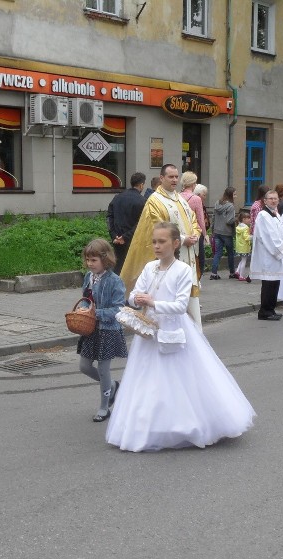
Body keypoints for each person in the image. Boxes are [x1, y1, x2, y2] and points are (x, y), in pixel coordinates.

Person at [105, 222, 255, 451]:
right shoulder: (150, 267)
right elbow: (133, 295)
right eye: (154, 241)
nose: (156, 246)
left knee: (180, 378)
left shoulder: (183, 270)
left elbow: (180, 305)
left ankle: (187, 423)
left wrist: (152, 301)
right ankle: (148, 424)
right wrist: (137, 300)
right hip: (149, 330)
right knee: (147, 379)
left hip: (174, 329)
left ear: (175, 244)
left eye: (162, 241)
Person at [119, 164, 202, 330]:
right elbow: (157, 227)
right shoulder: (155, 201)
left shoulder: (180, 199)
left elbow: (192, 219)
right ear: (161, 178)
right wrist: (183, 239)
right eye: (170, 177)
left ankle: (193, 336)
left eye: (176, 176)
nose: (174, 180)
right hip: (171, 258)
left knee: (190, 304)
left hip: (188, 257)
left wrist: (195, 234)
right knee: (171, 302)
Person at [75, 238, 128, 422]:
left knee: (104, 369)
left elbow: (119, 308)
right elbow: (85, 299)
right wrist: (83, 309)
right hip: (91, 329)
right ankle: (112, 386)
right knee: (84, 366)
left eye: (93, 260)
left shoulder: (115, 281)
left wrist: (96, 313)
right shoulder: (89, 277)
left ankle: (104, 407)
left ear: (105, 259)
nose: (90, 264)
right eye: (88, 260)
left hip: (108, 330)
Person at [250, 190, 283, 320]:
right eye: (271, 198)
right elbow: (269, 236)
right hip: (268, 255)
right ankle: (265, 311)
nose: (273, 201)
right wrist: (282, 247)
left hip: (275, 255)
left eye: (275, 198)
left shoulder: (275, 214)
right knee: (268, 283)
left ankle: (271, 309)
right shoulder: (263, 215)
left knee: (275, 283)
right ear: (265, 200)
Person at [106, 172, 146, 274]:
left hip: (117, 240)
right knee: (132, 269)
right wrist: (126, 237)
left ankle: (115, 288)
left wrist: (114, 235)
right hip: (133, 240)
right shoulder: (142, 201)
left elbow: (109, 217)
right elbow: (141, 223)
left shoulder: (117, 198)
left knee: (118, 266)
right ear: (141, 185)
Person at [180, 172, 207, 276]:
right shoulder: (196, 199)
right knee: (198, 258)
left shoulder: (177, 196)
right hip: (194, 232)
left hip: (182, 233)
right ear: (193, 184)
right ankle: (196, 279)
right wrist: (205, 234)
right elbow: (201, 219)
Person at [210, 187, 237, 280]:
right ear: (230, 195)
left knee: (217, 253)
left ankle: (213, 273)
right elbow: (229, 221)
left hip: (217, 231)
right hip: (227, 232)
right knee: (230, 253)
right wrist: (236, 219)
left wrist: (212, 229)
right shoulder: (230, 206)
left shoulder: (217, 203)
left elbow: (213, 217)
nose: (236, 196)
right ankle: (232, 273)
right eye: (234, 194)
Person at [234, 210, 253, 282]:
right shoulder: (246, 228)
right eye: (249, 218)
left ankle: (237, 271)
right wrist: (252, 237)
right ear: (244, 219)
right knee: (244, 260)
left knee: (242, 260)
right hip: (244, 247)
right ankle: (241, 275)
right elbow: (246, 237)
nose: (250, 220)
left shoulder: (238, 227)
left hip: (239, 246)